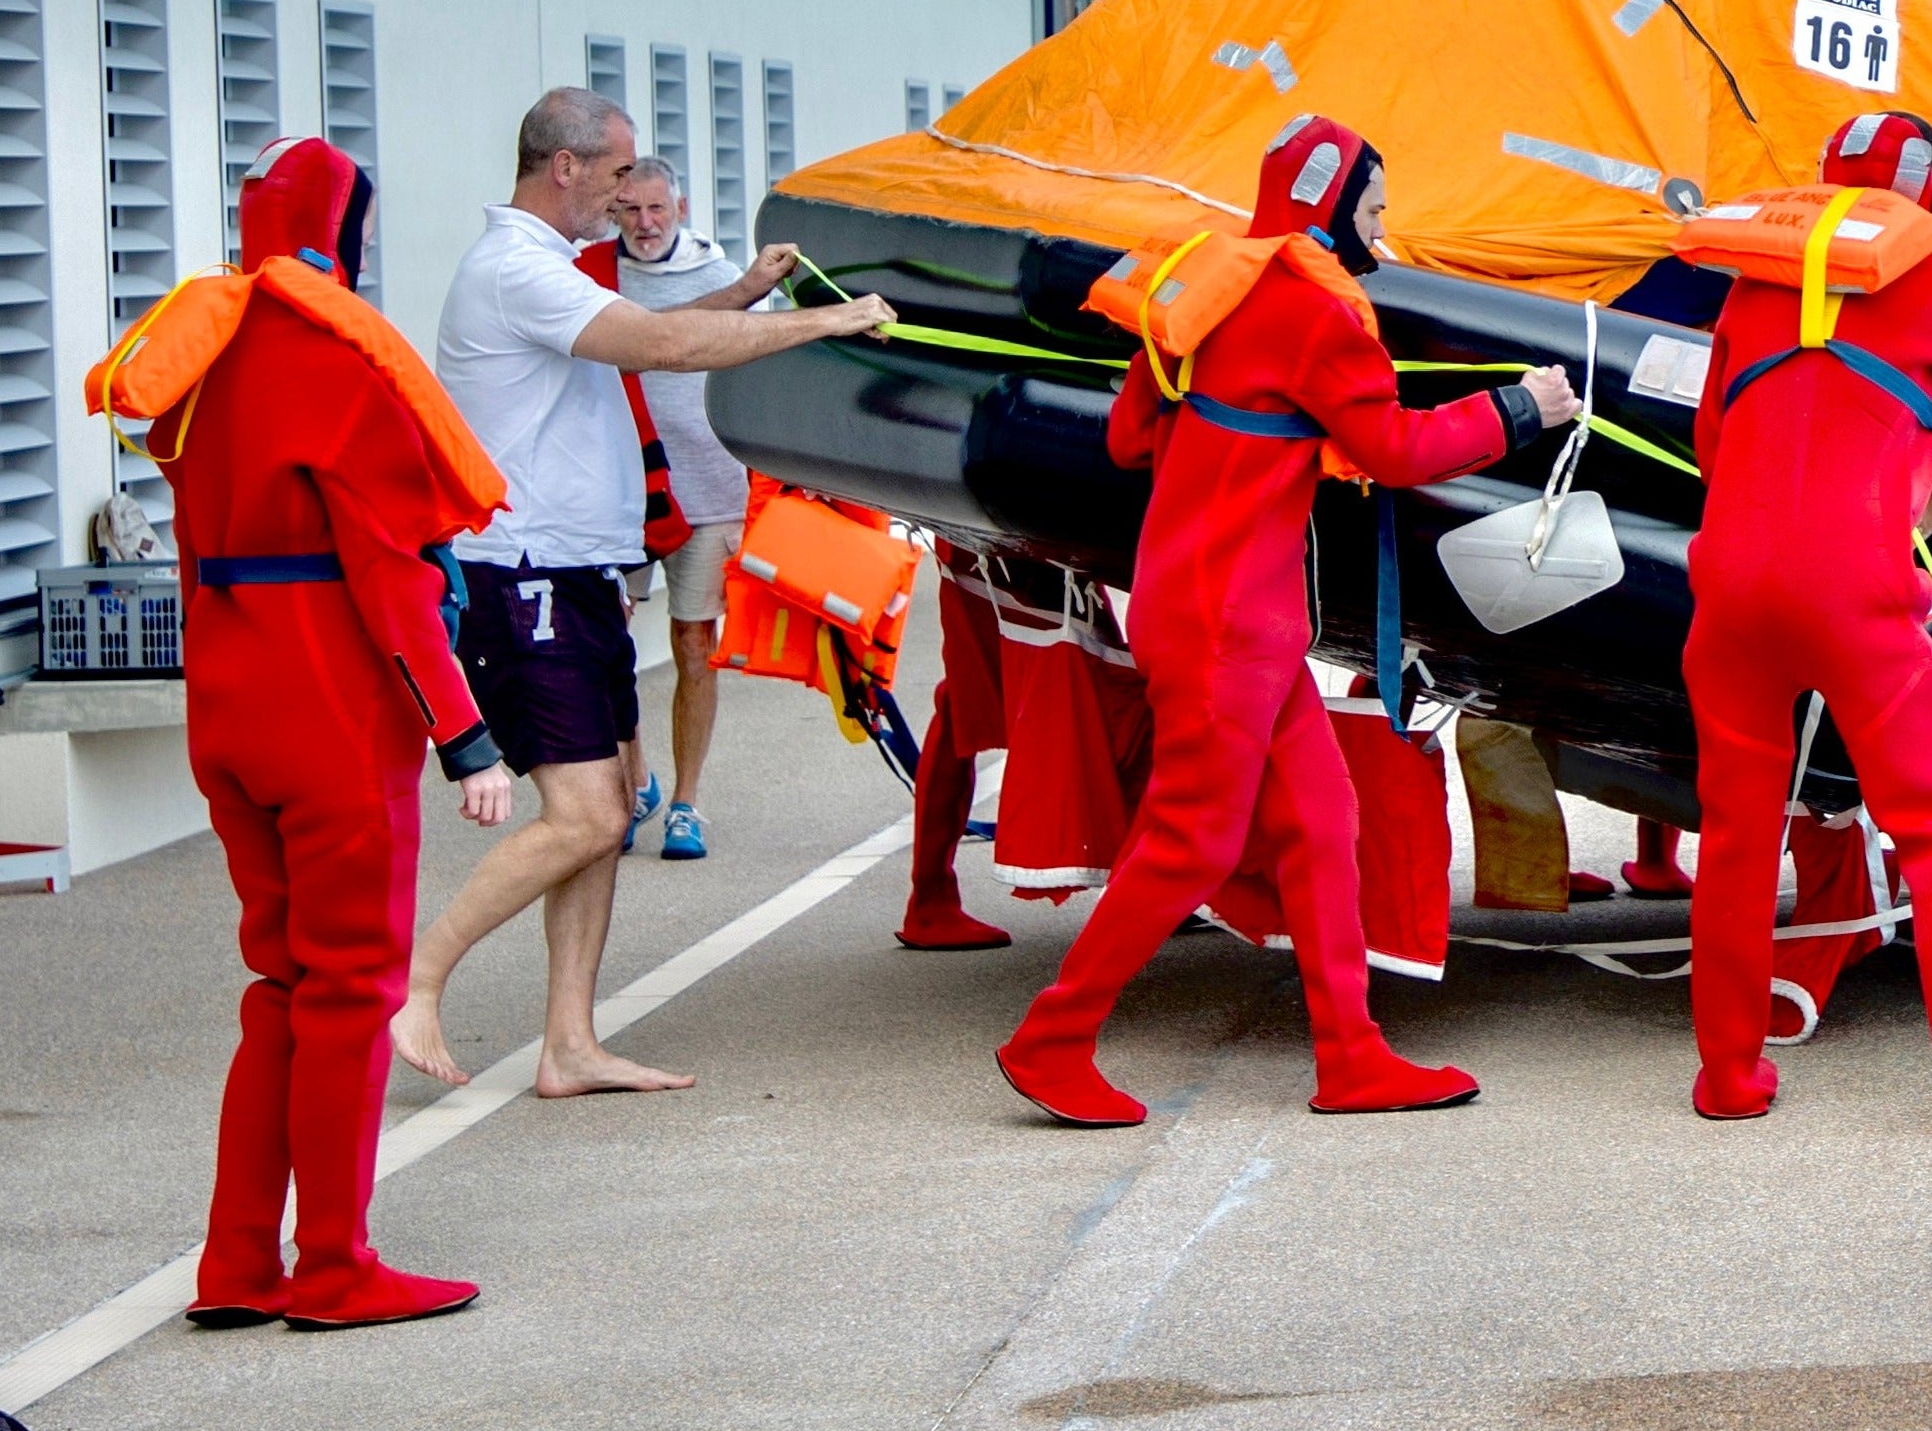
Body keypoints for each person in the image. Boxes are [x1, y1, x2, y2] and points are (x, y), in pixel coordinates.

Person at [995, 114, 1578, 1126]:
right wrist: (1522, 409)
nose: (1382, 238)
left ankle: (1350, 1054)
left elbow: (1132, 439)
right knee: (1190, 841)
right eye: (1376, 213)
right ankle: (1052, 1039)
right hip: (1233, 622)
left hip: (1196, 602)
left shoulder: (1203, 286)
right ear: (1335, 207)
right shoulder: (1317, 314)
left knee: (1320, 823)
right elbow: (1394, 451)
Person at [393, 88, 894, 1097]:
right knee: (581, 815)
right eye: (619, 173)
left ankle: (568, 1045)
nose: (631, 196)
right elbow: (663, 348)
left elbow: (658, 324)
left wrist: (750, 293)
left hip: (575, 570)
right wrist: (828, 323)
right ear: (564, 167)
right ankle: (415, 976)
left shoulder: (548, 271)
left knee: (612, 804)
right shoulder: (516, 269)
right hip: (523, 573)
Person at [110, 139, 516, 1329]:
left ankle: (236, 1264)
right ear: (345, 233)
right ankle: (335, 1266)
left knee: (279, 984)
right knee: (349, 988)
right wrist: (465, 733)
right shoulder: (333, 359)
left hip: (225, 702)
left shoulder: (198, 347)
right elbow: (390, 577)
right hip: (330, 705)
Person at [1680, 110, 1932, 1134]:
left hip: (1729, 582)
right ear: (1929, 194)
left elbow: (1712, 443)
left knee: (1734, 832)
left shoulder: (1750, 288)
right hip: (1855, 588)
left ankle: (1727, 1079)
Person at [609, 156, 752, 861]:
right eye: (630, 209)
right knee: (605, 646)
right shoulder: (592, 277)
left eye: (656, 209)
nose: (644, 223)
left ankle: (687, 803)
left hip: (707, 488)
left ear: (681, 207)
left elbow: (764, 365)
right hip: (618, 489)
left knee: (694, 645)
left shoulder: (724, 280)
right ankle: (636, 780)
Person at [899, 539, 1017, 950]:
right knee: (964, 698)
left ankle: (931, 897)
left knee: (963, 698)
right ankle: (930, 899)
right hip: (1004, 525)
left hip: (991, 521)